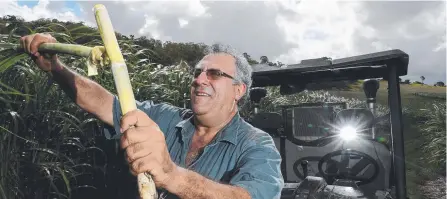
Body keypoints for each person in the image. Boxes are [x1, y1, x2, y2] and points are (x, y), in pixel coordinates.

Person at [20, 33, 284, 199]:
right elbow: (102, 102)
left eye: (214, 74)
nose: (199, 80)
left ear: (238, 90)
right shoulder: (162, 116)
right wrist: (55, 68)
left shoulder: (257, 145)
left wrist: (171, 174)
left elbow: (248, 196)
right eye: (197, 73)